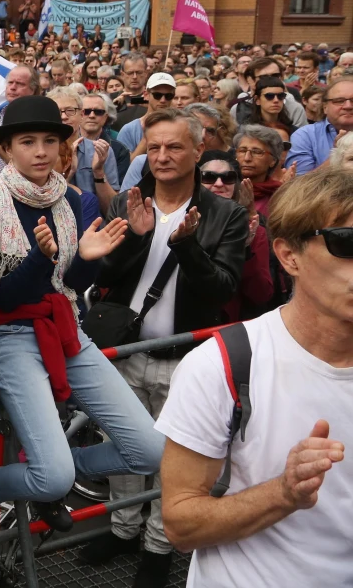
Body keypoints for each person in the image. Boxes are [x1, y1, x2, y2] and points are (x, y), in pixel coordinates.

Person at [0, 96, 162, 538]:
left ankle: (51, 474)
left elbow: (71, 283)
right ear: (6, 149)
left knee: (152, 450)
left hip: (65, 329)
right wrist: (42, 259)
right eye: (27, 141)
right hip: (8, 336)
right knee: (52, 475)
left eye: (49, 141)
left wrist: (90, 259)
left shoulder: (70, 199)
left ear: (62, 146)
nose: (40, 151)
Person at [157, 168, 353, 588]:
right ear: (288, 256)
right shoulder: (223, 364)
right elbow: (181, 523)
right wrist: (283, 493)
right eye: (347, 243)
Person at [84, 108, 247, 588]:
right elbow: (106, 277)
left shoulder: (226, 215)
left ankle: (158, 545)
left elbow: (222, 289)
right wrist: (137, 238)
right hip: (126, 353)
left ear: (198, 150)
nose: (162, 156)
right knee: (124, 449)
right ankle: (122, 527)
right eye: (153, 147)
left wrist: (188, 245)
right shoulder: (128, 203)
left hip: (186, 361)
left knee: (176, 459)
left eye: (174, 146)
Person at [196, 150, 274, 322]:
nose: (218, 184)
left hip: (223, 325)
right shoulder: (181, 220)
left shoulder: (253, 230)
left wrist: (245, 249)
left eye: (228, 177)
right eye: (208, 177)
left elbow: (261, 295)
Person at [48, 87, 118, 206]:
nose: (64, 116)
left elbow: (112, 210)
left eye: (70, 110)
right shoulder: (43, 153)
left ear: (81, 115)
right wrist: (68, 174)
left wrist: (98, 172)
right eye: (58, 111)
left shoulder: (100, 151)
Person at [287, 76, 353, 175]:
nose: (348, 106)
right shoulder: (305, 136)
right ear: (325, 107)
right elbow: (299, 184)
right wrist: (337, 154)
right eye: (339, 101)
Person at [118, 73, 177, 155]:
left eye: (169, 96)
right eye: (157, 95)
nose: (163, 100)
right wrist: (147, 138)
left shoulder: (181, 127)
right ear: (146, 95)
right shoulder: (129, 130)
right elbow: (125, 166)